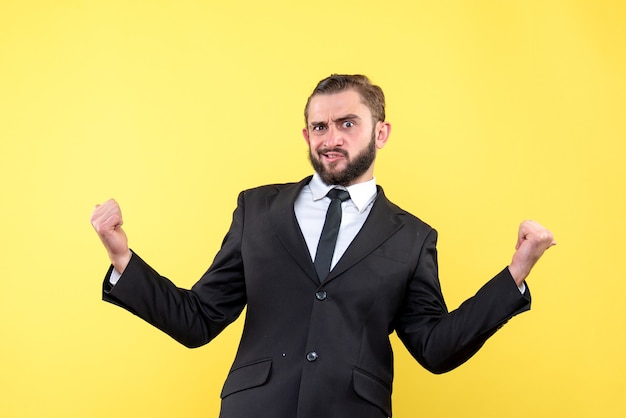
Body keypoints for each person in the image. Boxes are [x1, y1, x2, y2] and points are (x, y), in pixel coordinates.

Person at [91, 74, 555, 418]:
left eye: (347, 123)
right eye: (319, 127)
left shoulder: (412, 237)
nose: (331, 139)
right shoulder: (257, 210)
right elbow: (198, 319)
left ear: (381, 132)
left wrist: (515, 273)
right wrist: (121, 258)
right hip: (256, 407)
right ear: (306, 134)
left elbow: (435, 348)